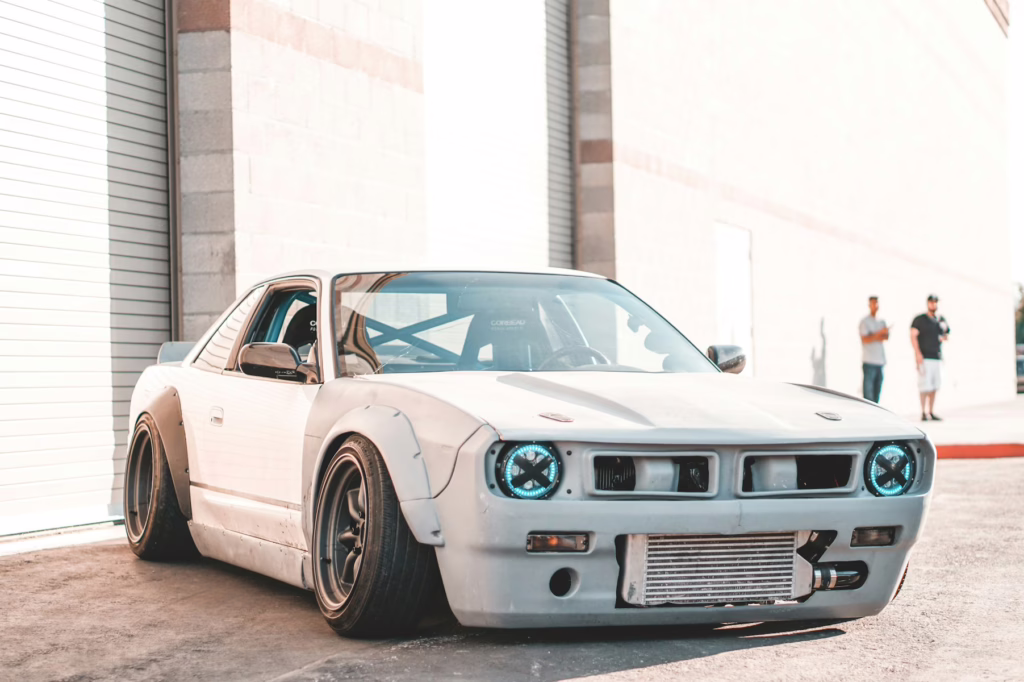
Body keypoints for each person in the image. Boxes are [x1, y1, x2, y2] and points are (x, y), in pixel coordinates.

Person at [910, 294, 950, 421]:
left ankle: (931, 412)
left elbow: (946, 335)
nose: (933, 304)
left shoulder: (941, 320)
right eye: (931, 302)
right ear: (928, 303)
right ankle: (923, 412)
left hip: (937, 357)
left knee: (934, 386)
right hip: (925, 357)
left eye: (935, 302)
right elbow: (913, 335)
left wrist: (943, 336)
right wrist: (918, 354)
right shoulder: (920, 319)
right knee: (924, 386)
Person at [859, 296, 889, 402]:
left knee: (876, 397)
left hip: (880, 362)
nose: (875, 306)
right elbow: (865, 339)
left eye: (877, 303)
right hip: (869, 362)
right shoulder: (865, 321)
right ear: (869, 305)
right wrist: (879, 334)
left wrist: (874, 335)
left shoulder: (882, 321)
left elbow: (885, 337)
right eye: (873, 303)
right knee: (868, 397)